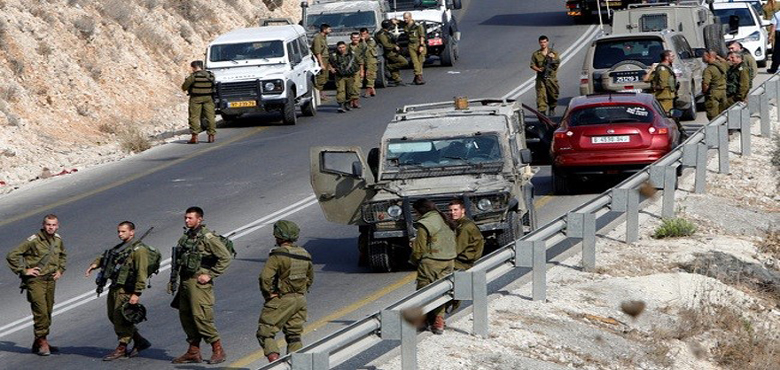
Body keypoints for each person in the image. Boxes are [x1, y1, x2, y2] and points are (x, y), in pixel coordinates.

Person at [170, 206, 232, 364]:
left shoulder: (208, 237)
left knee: (201, 317)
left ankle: (218, 349)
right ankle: (193, 351)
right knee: (186, 316)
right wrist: (173, 280)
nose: (186, 220)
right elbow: (180, 259)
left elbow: (225, 257)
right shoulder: (186, 237)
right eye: (185, 218)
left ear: (200, 219)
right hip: (185, 281)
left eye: (190, 218)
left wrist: (210, 275)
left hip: (199, 283)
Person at [85, 221, 153, 361]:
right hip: (116, 287)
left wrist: (137, 293)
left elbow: (141, 273)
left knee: (122, 318)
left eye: (123, 231)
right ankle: (140, 341)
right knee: (113, 316)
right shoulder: (121, 247)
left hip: (126, 289)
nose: (120, 234)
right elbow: (108, 256)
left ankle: (122, 347)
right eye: (119, 232)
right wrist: (95, 264)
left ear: (132, 232)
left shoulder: (139, 250)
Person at [6, 214, 67, 356]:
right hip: (36, 281)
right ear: (43, 225)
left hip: (50, 279)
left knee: (48, 311)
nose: (51, 227)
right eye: (48, 225)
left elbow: (63, 255)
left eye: (53, 225)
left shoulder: (57, 240)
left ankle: (38, 340)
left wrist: (60, 270)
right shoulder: (34, 240)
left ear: (57, 226)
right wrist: (24, 270)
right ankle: (42, 341)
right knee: (41, 312)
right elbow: (12, 255)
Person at [256, 220, 314, 363]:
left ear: (279, 236)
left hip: (282, 299)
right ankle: (298, 366)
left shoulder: (278, 255)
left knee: (265, 333)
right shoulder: (304, 254)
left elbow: (265, 277)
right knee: (294, 335)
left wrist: (269, 294)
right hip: (300, 300)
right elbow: (310, 278)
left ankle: (275, 362)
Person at [409, 199, 456, 335]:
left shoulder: (425, 224)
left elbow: (419, 249)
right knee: (442, 291)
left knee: (424, 291)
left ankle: (423, 321)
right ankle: (439, 320)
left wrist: (414, 260)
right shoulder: (444, 218)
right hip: (449, 260)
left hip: (431, 262)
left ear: (419, 211)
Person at [445, 199, 484, 313]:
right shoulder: (460, 224)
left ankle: (443, 310)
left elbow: (456, 249)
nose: (453, 213)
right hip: (462, 260)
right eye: (451, 210)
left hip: (463, 262)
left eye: (456, 210)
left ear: (463, 210)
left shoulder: (465, 227)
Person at [181, 61, 216, 144]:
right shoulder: (210, 75)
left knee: (194, 117)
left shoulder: (193, 76)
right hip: (208, 98)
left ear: (193, 67)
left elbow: (184, 87)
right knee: (210, 116)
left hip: (195, 98)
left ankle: (195, 137)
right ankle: (211, 136)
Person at [530, 35, 560, 116]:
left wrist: (553, 58)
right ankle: (542, 112)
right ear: (539, 43)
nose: (543, 44)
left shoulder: (553, 53)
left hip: (551, 78)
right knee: (541, 95)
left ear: (547, 42)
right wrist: (539, 69)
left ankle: (552, 107)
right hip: (541, 77)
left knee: (553, 94)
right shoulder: (536, 54)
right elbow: (532, 65)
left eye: (544, 42)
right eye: (541, 42)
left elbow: (557, 63)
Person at [329, 41, 360, 113]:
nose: (341, 49)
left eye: (343, 47)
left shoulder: (351, 54)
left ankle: (347, 104)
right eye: (339, 48)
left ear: (345, 47)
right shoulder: (334, 55)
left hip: (350, 75)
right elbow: (329, 62)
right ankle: (341, 105)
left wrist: (359, 72)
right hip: (339, 76)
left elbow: (358, 63)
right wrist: (332, 69)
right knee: (340, 90)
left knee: (349, 91)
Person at [376, 19, 408, 86]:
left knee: (395, 65)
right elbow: (386, 45)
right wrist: (394, 46)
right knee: (404, 62)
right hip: (389, 52)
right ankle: (387, 67)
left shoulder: (386, 33)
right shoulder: (382, 34)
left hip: (392, 51)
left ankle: (397, 79)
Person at [701, 50, 729, 120]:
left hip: (713, 93)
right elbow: (725, 62)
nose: (702, 58)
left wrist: (704, 91)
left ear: (708, 56)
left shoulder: (709, 69)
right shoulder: (722, 65)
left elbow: (705, 83)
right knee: (722, 114)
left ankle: (715, 130)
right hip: (723, 91)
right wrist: (717, 57)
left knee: (712, 115)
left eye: (704, 56)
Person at [403, 12, 426, 85]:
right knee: (414, 61)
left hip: (418, 44)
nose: (405, 20)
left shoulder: (418, 26)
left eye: (406, 18)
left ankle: (417, 77)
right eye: (404, 18)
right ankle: (418, 77)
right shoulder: (406, 25)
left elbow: (422, 36)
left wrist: (421, 46)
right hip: (411, 44)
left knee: (420, 61)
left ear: (410, 17)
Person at [311, 24, 332, 100]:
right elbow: (317, 52)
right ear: (324, 30)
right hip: (321, 59)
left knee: (325, 77)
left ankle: (321, 94)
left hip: (325, 59)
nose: (330, 30)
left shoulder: (324, 37)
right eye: (329, 29)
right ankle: (318, 95)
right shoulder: (318, 38)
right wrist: (321, 64)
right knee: (320, 78)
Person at [348, 32, 366, 109]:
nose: (355, 39)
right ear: (351, 38)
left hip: (357, 69)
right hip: (348, 69)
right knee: (349, 86)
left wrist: (362, 71)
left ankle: (355, 100)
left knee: (357, 86)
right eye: (353, 38)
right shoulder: (347, 47)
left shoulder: (361, 46)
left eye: (357, 37)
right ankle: (350, 101)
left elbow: (361, 60)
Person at [360, 27, 378, 97]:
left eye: (364, 34)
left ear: (367, 33)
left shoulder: (371, 40)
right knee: (364, 75)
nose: (363, 36)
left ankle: (368, 89)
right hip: (363, 59)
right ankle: (372, 89)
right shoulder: (360, 40)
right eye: (362, 34)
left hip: (371, 59)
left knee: (370, 74)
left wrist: (363, 41)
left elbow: (366, 48)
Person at [768, 9, 780, 73]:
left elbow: (774, 26)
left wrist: (770, 36)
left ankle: (774, 69)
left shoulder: (776, 14)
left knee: (777, 52)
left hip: (779, 34)